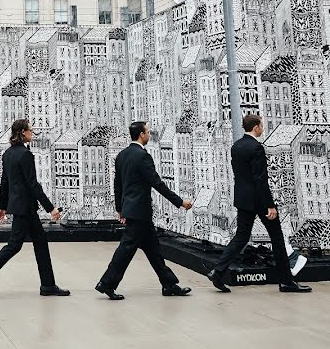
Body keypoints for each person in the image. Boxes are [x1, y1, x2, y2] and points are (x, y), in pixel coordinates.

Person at [206, 115, 311, 293]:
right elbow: (260, 179)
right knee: (277, 238)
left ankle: (218, 270)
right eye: (261, 125)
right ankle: (286, 281)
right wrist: (269, 205)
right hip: (259, 200)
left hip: (243, 199)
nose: (263, 128)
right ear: (256, 127)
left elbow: (240, 175)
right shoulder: (256, 148)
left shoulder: (236, 146)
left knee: (241, 237)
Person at [0, 119, 70, 300]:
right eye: (30, 130)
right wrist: (51, 208)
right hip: (25, 208)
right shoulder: (25, 155)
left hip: (22, 208)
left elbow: (4, 182)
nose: (32, 133)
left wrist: (2, 206)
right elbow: (33, 184)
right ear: (23, 132)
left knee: (40, 242)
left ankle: (48, 285)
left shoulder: (8, 154)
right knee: (14, 245)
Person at [96, 121, 193, 300]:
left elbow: (117, 185)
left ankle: (169, 284)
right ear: (141, 134)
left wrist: (119, 208)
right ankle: (107, 283)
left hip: (133, 210)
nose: (149, 134)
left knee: (154, 250)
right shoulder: (142, 156)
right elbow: (157, 183)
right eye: (148, 132)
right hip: (139, 211)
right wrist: (180, 202)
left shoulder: (122, 155)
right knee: (126, 250)